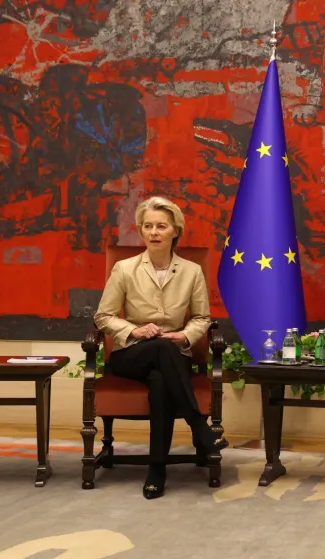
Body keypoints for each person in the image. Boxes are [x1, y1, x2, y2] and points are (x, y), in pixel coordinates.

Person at [94, 196, 228, 500]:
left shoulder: (192, 271)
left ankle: (157, 470)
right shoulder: (124, 269)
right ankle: (200, 427)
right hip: (132, 354)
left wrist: (184, 337)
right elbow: (103, 316)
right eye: (147, 226)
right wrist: (134, 330)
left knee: (160, 378)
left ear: (174, 231)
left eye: (161, 226)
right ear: (141, 231)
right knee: (159, 352)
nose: (153, 232)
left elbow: (202, 318)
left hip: (172, 352)